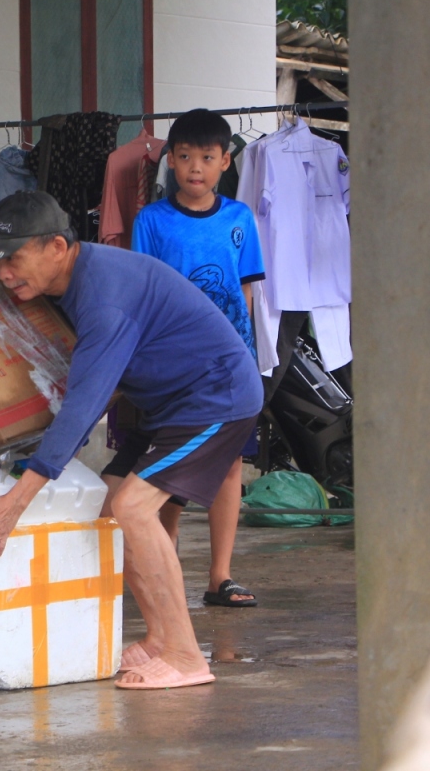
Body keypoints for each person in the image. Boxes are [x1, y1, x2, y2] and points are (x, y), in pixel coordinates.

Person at [0, 190, 263, 690]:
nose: (3, 274)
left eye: (12, 258)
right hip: (166, 405)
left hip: (216, 398)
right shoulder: (71, 281)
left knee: (134, 507)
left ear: (57, 246)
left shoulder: (103, 297)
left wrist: (15, 501)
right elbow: (92, 392)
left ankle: (186, 656)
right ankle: (161, 639)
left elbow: (84, 404)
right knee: (108, 509)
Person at [127, 108, 265, 608]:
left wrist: (246, 358)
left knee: (228, 465)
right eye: (184, 158)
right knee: (171, 465)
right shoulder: (152, 221)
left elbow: (246, 292)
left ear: (225, 161)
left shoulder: (239, 219)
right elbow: (142, 290)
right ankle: (168, 572)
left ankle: (220, 576)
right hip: (172, 365)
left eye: (207, 158)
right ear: (171, 162)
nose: (195, 168)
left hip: (230, 365)